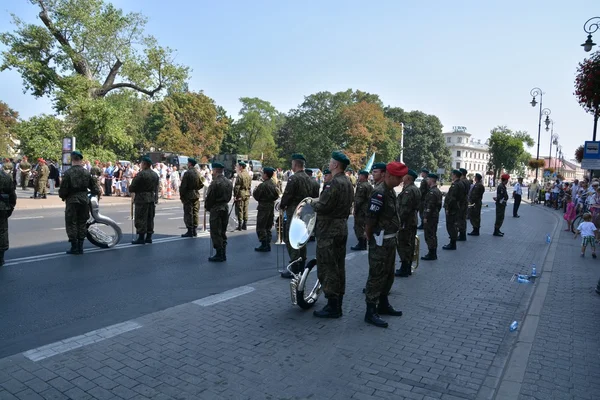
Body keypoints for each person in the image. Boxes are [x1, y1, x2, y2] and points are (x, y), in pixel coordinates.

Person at [310, 151, 354, 318]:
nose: (329, 164)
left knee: (327, 267)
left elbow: (323, 205)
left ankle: (332, 305)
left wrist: (311, 202)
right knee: (338, 266)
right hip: (341, 227)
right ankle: (337, 302)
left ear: (336, 165)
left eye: (330, 162)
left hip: (329, 230)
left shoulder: (334, 183)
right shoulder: (348, 182)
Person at [364, 161, 407, 328]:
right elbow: (370, 219)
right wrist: (369, 236)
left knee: (388, 274)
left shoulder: (390, 192)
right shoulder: (379, 193)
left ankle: (383, 304)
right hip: (380, 242)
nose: (401, 181)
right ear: (389, 176)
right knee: (376, 275)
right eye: (398, 178)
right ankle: (370, 311)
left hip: (390, 241)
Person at [58, 151, 99, 255]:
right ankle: (81, 246)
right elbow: (95, 189)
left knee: (71, 223)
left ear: (72, 160)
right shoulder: (86, 172)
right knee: (82, 223)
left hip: (72, 200)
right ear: (81, 160)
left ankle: (74, 247)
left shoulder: (68, 173)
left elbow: (63, 190)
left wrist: (63, 196)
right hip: (84, 200)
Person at [279, 153, 313, 279]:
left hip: (294, 212)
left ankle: (294, 267)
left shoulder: (294, 178)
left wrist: (282, 205)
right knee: (301, 239)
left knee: (291, 239)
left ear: (295, 164)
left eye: (292, 164)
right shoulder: (309, 178)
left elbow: (287, 195)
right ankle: (302, 263)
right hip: (305, 211)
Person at [395, 169, 421, 277]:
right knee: (409, 244)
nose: (403, 177)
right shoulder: (415, 189)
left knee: (404, 244)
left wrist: (399, 221)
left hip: (406, 222)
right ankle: (407, 266)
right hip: (411, 220)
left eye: (404, 176)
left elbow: (404, 209)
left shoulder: (408, 191)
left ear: (409, 178)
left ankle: (405, 267)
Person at [205, 162, 233, 262]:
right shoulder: (228, 182)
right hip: (225, 207)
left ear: (215, 170)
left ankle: (219, 253)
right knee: (223, 231)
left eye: (213, 170)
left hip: (216, 208)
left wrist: (207, 207)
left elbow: (210, 198)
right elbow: (229, 196)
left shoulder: (215, 182)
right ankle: (223, 252)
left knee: (216, 231)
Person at [129, 156, 160, 245]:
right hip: (151, 198)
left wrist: (131, 188)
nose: (141, 165)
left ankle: (141, 237)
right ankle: (149, 237)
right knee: (150, 218)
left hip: (141, 198)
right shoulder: (155, 174)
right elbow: (156, 188)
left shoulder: (141, 174)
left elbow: (133, 187)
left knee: (141, 217)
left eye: (142, 163)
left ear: (145, 164)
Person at [252, 167, 280, 252]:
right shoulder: (273, 183)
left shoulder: (263, 185)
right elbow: (277, 194)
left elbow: (256, 196)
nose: (262, 175)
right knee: (268, 226)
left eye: (263, 173)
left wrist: (255, 190)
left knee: (261, 226)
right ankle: (267, 243)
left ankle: (264, 244)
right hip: (271, 206)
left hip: (263, 207)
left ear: (266, 175)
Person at [179, 158, 204, 238]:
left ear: (190, 164)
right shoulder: (198, 172)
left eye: (188, 163)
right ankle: (195, 230)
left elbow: (183, 186)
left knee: (188, 212)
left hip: (188, 195)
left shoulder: (187, 173)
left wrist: (182, 195)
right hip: (196, 194)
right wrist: (196, 188)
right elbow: (202, 183)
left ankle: (190, 230)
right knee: (195, 212)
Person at [421, 173, 443, 261]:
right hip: (434, 216)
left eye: (428, 179)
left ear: (431, 180)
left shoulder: (432, 192)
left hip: (430, 217)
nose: (427, 181)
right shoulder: (437, 191)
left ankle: (431, 253)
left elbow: (430, 206)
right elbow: (438, 206)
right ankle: (432, 253)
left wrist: (426, 217)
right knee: (433, 234)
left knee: (429, 235)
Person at [351, 169, 372, 251]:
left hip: (361, 210)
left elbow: (359, 200)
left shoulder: (362, 186)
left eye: (360, 175)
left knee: (358, 227)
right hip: (366, 209)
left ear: (363, 176)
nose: (358, 177)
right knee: (363, 226)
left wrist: (355, 210)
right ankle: (363, 243)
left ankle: (361, 244)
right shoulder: (369, 185)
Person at [0, 166, 16, 265]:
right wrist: (10, 208)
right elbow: (12, 195)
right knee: (2, 231)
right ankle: (0, 257)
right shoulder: (5, 176)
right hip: (2, 208)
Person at [443, 170, 462, 250]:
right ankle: (452, 243)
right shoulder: (460, 183)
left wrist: (448, 208)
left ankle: (452, 244)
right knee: (453, 225)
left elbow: (452, 198)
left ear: (455, 175)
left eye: (452, 174)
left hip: (452, 209)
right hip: (456, 207)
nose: (452, 176)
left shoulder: (455, 185)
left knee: (451, 226)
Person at [233, 161, 252, 231]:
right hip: (247, 193)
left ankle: (240, 225)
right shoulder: (248, 175)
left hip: (241, 193)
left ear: (241, 167)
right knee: (245, 209)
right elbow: (249, 186)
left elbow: (237, 187)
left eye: (238, 166)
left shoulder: (240, 175)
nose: (237, 167)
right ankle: (245, 224)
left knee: (240, 209)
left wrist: (235, 195)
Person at [456, 168, 470, 241]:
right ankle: (462, 234)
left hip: (461, 202)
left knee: (460, 218)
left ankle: (461, 235)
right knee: (463, 219)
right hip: (465, 201)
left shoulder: (462, 182)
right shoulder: (467, 181)